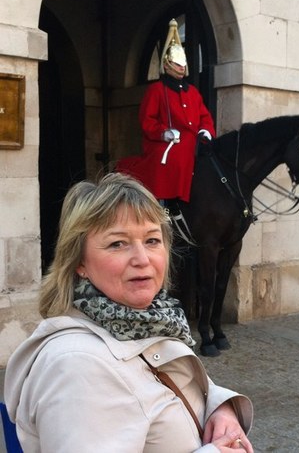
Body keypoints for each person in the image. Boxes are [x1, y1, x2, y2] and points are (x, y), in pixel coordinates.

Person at [4, 173, 253, 453]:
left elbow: (178, 392)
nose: (142, 259)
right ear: (79, 262)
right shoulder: (77, 367)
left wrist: (221, 411)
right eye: (117, 244)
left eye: (152, 240)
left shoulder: (147, 320)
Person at [116, 19, 216, 212]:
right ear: (167, 64)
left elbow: (204, 117)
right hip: (169, 144)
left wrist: (206, 131)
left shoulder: (193, 92)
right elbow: (147, 120)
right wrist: (164, 133)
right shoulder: (157, 90)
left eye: (182, 64)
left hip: (194, 142)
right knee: (172, 161)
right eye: (177, 64)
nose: (181, 67)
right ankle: (163, 206)